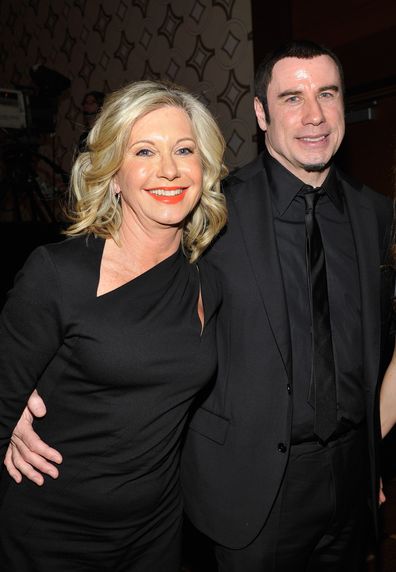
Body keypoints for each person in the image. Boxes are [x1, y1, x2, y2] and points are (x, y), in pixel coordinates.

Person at [4, 40, 394, 571]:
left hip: (345, 484)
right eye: (290, 98)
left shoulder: (376, 215)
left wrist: (369, 451)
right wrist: (16, 398)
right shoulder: (215, 212)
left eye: (327, 94)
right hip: (247, 493)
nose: (313, 115)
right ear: (260, 113)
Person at [0, 79, 227, 571]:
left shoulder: (209, 282)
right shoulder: (58, 273)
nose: (169, 169)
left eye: (184, 150)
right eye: (144, 150)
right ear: (113, 175)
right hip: (51, 535)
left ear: (203, 169)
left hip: (157, 535)